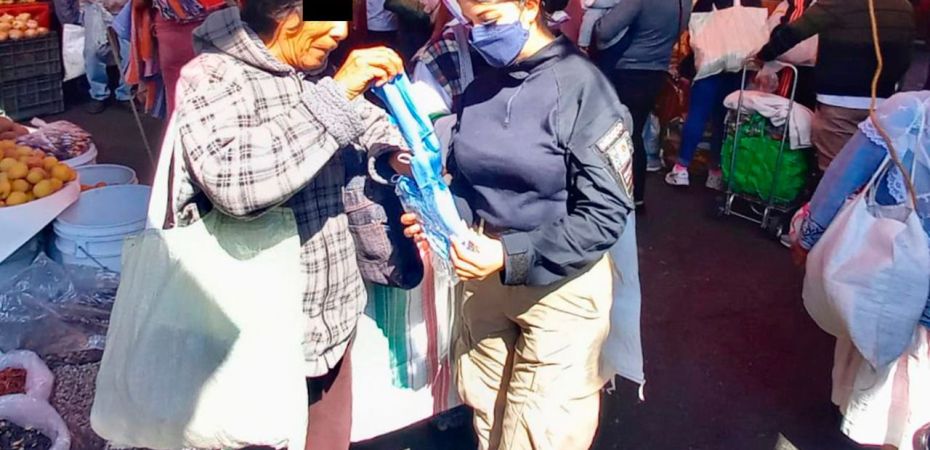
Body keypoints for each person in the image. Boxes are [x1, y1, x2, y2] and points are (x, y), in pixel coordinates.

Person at [160, 1, 408, 447]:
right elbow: (236, 184)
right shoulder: (214, 76)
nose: (340, 31)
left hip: (332, 322)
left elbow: (371, 125)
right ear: (281, 14)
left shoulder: (314, 70)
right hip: (252, 336)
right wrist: (337, 96)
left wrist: (397, 155)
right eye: (328, 15)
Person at [402, 0, 634, 447]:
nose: (477, 35)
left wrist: (510, 255)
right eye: (470, 22)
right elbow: (467, 182)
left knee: (539, 432)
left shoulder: (584, 87)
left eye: (488, 20)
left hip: (560, 288)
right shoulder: (480, 87)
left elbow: (605, 214)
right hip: (485, 282)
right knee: (487, 414)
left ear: (529, 7)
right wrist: (440, 217)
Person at [793, 92, 930, 450]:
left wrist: (808, 237)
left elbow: (842, 177)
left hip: (893, 275)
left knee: (884, 377)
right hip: (904, 285)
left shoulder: (909, 111)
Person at [758, 0, 914, 171]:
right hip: (883, 103)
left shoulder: (836, 3)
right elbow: (906, 56)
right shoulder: (903, 6)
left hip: (838, 101)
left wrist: (763, 55)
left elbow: (792, 33)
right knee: (870, 170)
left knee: (833, 171)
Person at [593, 0, 691, 208]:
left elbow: (604, 30)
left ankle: (614, 195)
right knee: (634, 133)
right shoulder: (684, 3)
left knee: (617, 134)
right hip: (657, 71)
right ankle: (636, 195)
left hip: (627, 69)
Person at [665, 0, 761, 190]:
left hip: (710, 66)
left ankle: (681, 168)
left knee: (697, 115)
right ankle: (715, 172)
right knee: (724, 120)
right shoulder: (753, 2)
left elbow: (695, 33)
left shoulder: (706, 2)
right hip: (739, 67)